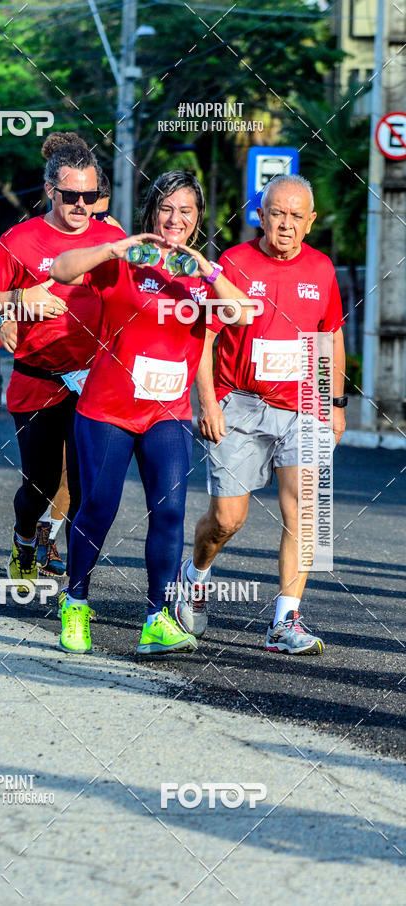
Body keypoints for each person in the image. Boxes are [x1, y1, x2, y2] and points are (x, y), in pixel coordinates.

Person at [50, 170, 249, 655]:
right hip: (107, 410)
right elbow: (61, 269)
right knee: (98, 508)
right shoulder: (123, 261)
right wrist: (112, 249)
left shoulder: (205, 276)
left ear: (198, 217)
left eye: (186, 210)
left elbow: (241, 315)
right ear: (151, 212)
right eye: (166, 208)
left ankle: (157, 618)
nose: (175, 218)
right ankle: (75, 603)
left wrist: (208, 270)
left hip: (168, 414)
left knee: (170, 511)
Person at [176, 174, 345, 655]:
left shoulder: (322, 269)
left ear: (310, 222)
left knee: (307, 515)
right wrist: (207, 402)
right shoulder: (233, 262)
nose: (286, 225)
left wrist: (333, 403)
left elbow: (329, 336)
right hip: (240, 404)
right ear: (261, 215)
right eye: (277, 213)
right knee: (228, 519)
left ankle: (285, 620)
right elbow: (204, 336)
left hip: (305, 404)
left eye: (296, 216)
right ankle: (197, 575)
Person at [0, 134, 124, 592]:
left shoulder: (111, 238)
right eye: (71, 195)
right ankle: (23, 539)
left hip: (94, 383)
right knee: (39, 483)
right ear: (50, 190)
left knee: (84, 489)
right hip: (37, 380)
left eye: (90, 196)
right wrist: (19, 298)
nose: (82, 205)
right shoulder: (22, 238)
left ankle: (76, 592)